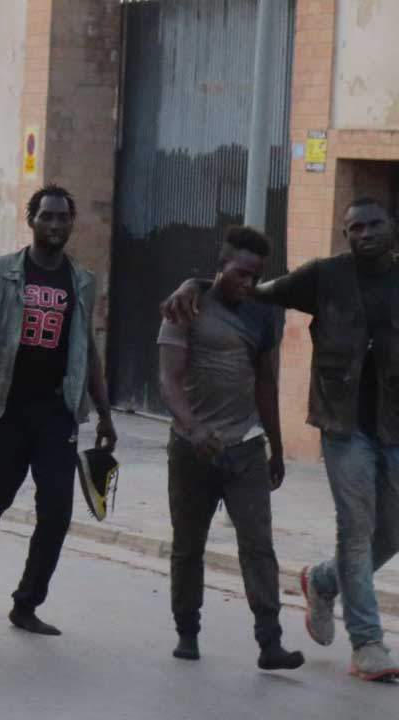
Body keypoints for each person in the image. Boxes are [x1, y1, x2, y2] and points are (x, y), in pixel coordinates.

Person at [162, 197, 399, 682]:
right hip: (341, 427)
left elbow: (250, 303)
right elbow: (248, 292)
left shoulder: (394, 280)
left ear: (392, 227)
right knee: (353, 529)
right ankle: (363, 643)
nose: (365, 234)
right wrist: (196, 284)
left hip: (388, 427)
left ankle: (323, 581)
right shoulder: (324, 277)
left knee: (384, 534)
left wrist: (272, 441)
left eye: (374, 225)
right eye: (355, 227)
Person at [0, 184, 118, 636]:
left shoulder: (81, 281)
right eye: (48, 217)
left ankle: (27, 602)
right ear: (32, 220)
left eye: (63, 218)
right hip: (3, 410)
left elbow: (89, 350)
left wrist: (103, 411)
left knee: (57, 511)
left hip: (56, 413)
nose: (56, 225)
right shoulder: (1, 273)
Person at [157, 226, 304, 671]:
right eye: (241, 273)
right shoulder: (186, 305)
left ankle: (270, 642)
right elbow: (169, 380)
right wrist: (193, 428)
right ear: (221, 266)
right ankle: (187, 631)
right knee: (188, 546)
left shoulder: (262, 314)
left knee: (258, 546)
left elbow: (265, 384)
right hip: (191, 449)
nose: (248, 284)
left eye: (255, 276)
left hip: (244, 448)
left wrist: (276, 448)